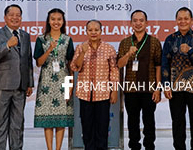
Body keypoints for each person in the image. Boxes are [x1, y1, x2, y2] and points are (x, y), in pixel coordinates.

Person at [0, 5, 34, 150]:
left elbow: (28, 60)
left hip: (21, 87)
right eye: (12, 15)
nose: (15, 18)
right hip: (1, 85)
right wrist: (7, 45)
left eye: (18, 15)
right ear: (5, 17)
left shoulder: (25, 35)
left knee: (18, 125)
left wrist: (30, 83)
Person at [163, 7, 193, 150]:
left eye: (186, 18)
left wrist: (190, 51)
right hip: (175, 87)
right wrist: (166, 85)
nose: (183, 21)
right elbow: (165, 64)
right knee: (177, 122)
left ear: (191, 20)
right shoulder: (170, 39)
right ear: (176, 21)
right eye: (180, 19)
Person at [117, 10, 163, 150]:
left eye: (141, 20)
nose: (138, 23)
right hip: (131, 89)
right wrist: (128, 54)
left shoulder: (154, 42)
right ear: (131, 23)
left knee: (149, 120)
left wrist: (158, 88)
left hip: (149, 88)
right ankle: (134, 146)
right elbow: (119, 64)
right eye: (135, 21)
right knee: (132, 121)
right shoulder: (125, 43)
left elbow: (158, 66)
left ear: (146, 23)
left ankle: (149, 146)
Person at [73, 20, 119, 150]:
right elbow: (75, 67)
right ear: (86, 31)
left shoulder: (108, 48)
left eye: (96, 30)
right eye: (90, 30)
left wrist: (114, 90)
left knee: (102, 127)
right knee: (87, 127)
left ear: (101, 31)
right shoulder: (80, 47)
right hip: (85, 93)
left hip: (103, 94)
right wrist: (82, 53)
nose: (93, 32)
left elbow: (114, 71)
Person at [32, 9, 75, 150]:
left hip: (63, 81)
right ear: (48, 21)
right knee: (48, 119)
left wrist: (70, 85)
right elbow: (39, 62)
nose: (56, 22)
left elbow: (70, 65)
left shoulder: (67, 39)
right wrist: (49, 49)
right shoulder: (41, 39)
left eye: (59, 19)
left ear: (63, 22)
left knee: (61, 119)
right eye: (53, 19)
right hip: (46, 83)